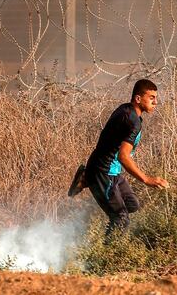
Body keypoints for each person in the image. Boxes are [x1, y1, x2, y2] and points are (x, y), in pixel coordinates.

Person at [68, 79, 169, 236]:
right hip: (103, 171)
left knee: (132, 205)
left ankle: (88, 180)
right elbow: (123, 156)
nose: (155, 102)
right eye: (151, 97)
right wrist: (147, 179)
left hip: (112, 171)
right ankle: (105, 257)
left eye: (155, 97)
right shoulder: (132, 121)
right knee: (121, 219)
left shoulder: (126, 110)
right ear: (138, 98)